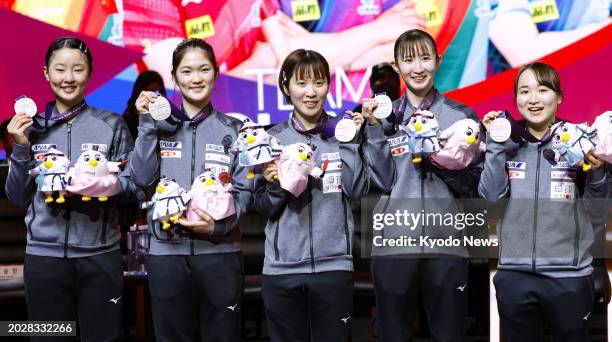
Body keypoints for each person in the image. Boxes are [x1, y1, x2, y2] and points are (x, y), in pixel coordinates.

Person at [4, 36, 138, 341]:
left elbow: (136, 188)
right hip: (44, 258)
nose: (68, 78)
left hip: (100, 256)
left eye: (77, 69)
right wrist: (21, 148)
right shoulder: (30, 127)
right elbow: (17, 197)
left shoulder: (111, 125)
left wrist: (99, 184)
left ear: (89, 73)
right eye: (60, 69)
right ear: (46, 73)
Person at [360, 29, 483, 341]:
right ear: (397, 66)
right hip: (394, 243)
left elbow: (473, 187)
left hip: (447, 244)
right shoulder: (385, 119)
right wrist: (374, 131)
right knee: (393, 334)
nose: (418, 68)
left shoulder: (461, 116)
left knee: (449, 334)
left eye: (425, 58)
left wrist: (443, 161)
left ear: (438, 61)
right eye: (409, 60)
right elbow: (382, 180)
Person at [129, 38, 251, 342]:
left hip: (220, 253)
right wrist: (145, 124)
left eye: (204, 69)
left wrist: (219, 225)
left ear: (216, 72)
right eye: (186, 71)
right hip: (166, 254)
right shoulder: (156, 128)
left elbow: (247, 191)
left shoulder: (234, 130)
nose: (196, 78)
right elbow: (140, 181)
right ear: (174, 76)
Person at [479, 61, 607, 341]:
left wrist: (597, 173)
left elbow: (597, 214)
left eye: (543, 90)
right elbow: (491, 203)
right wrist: (495, 146)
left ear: (559, 97)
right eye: (524, 91)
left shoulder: (580, 142)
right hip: (514, 274)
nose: (533, 99)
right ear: (516, 99)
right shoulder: (507, 144)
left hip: (569, 277)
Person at [253, 49, 368, 341]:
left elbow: (356, 191)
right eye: (301, 83)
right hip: (281, 271)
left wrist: (351, 143)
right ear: (286, 87)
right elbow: (263, 207)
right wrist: (278, 183)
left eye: (318, 83)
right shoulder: (270, 139)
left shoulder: (342, 134)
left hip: (334, 267)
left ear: (328, 86)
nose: (311, 92)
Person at [123, 70, 166, 140]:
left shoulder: (169, 121)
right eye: (148, 92)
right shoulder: (125, 124)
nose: (153, 97)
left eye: (157, 92)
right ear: (138, 94)